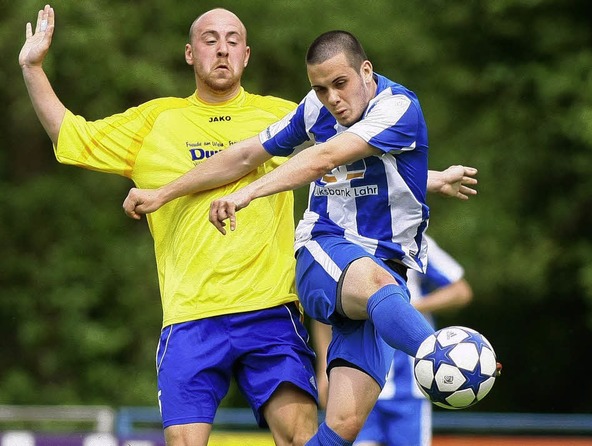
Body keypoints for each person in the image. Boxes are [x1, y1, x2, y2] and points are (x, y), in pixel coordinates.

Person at [121, 30, 480, 445]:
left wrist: (430, 181)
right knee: (378, 284)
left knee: (342, 427)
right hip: (323, 252)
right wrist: (166, 193)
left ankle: (431, 354)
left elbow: (366, 166)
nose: (331, 99)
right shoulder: (316, 110)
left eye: (340, 84)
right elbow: (248, 156)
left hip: (383, 279)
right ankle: (441, 355)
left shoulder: (398, 107)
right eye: (320, 88)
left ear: (366, 71)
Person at [19, 5, 320, 446]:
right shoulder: (156, 121)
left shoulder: (284, 116)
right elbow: (72, 136)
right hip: (190, 317)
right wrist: (32, 68)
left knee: (301, 438)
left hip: (270, 309)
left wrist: (425, 177)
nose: (222, 49)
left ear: (248, 55)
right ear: (188, 53)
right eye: (210, 39)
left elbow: (344, 156)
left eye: (233, 40)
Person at [313, 235, 473, 446]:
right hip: (356, 380)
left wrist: (398, 310)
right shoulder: (342, 240)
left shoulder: (414, 240)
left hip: (408, 388)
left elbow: (460, 291)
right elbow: (325, 310)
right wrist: (323, 369)